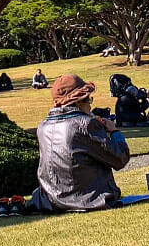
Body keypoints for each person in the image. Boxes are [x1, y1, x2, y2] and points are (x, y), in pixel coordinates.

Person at [27, 74, 131, 213]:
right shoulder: (86, 125)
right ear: (77, 101)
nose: (90, 103)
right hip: (88, 199)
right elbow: (120, 158)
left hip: (50, 200)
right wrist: (114, 132)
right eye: (88, 99)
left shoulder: (43, 127)